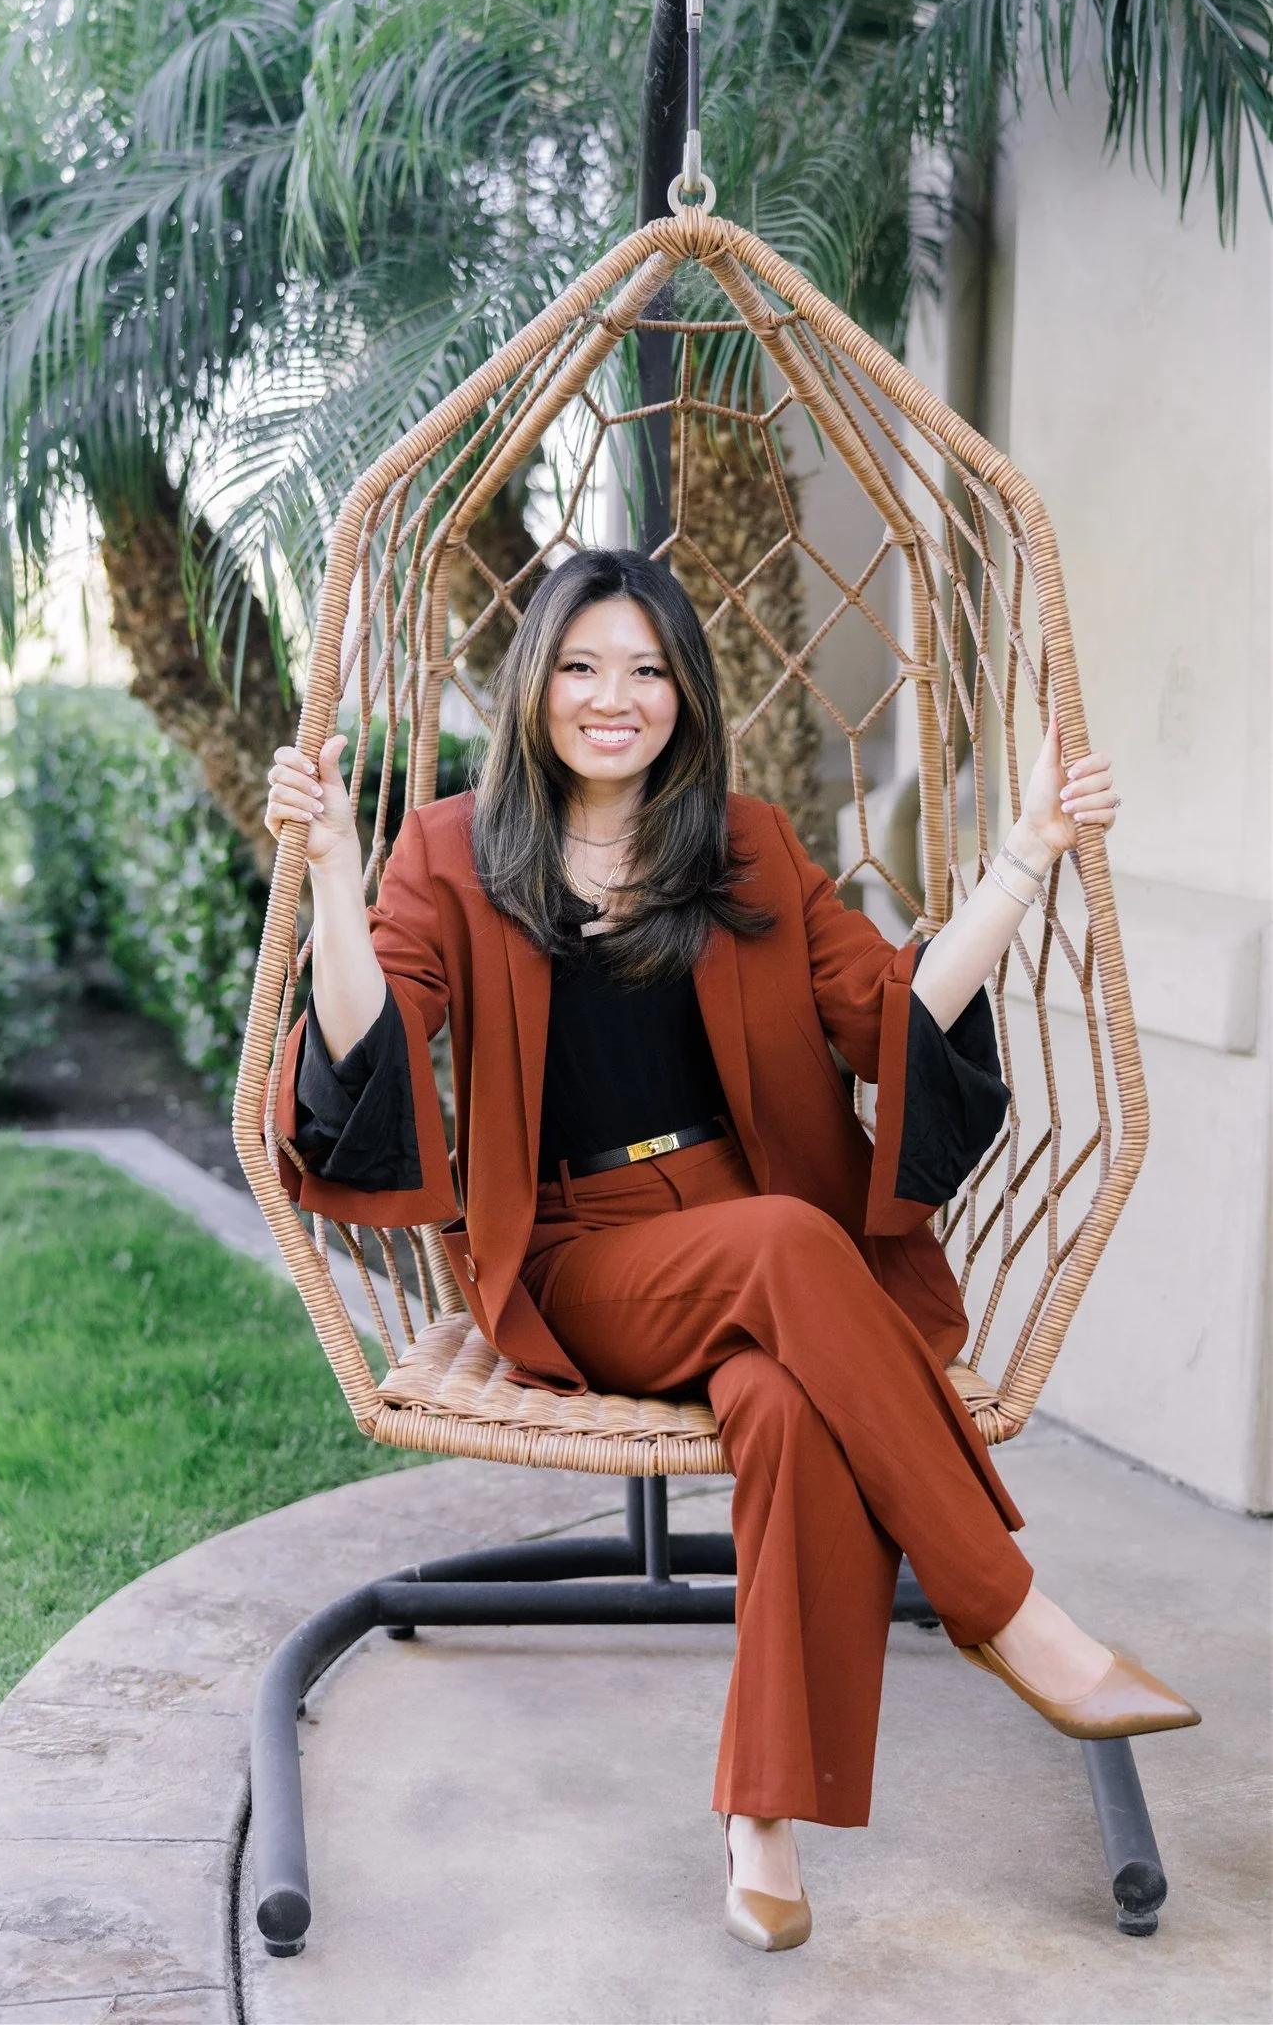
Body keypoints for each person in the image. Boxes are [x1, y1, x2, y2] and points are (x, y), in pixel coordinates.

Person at [264, 548, 1197, 1953]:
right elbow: (365, 1046)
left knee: (783, 1402)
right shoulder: (451, 853)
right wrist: (335, 871)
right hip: (583, 1256)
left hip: (765, 1251)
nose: (613, 697)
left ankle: (762, 1819)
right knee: (780, 1243)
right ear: (534, 687)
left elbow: (890, 1016)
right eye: (582, 666)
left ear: (686, 695)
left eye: (646, 670)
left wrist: (1026, 858)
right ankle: (1009, 1609)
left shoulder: (744, 844)